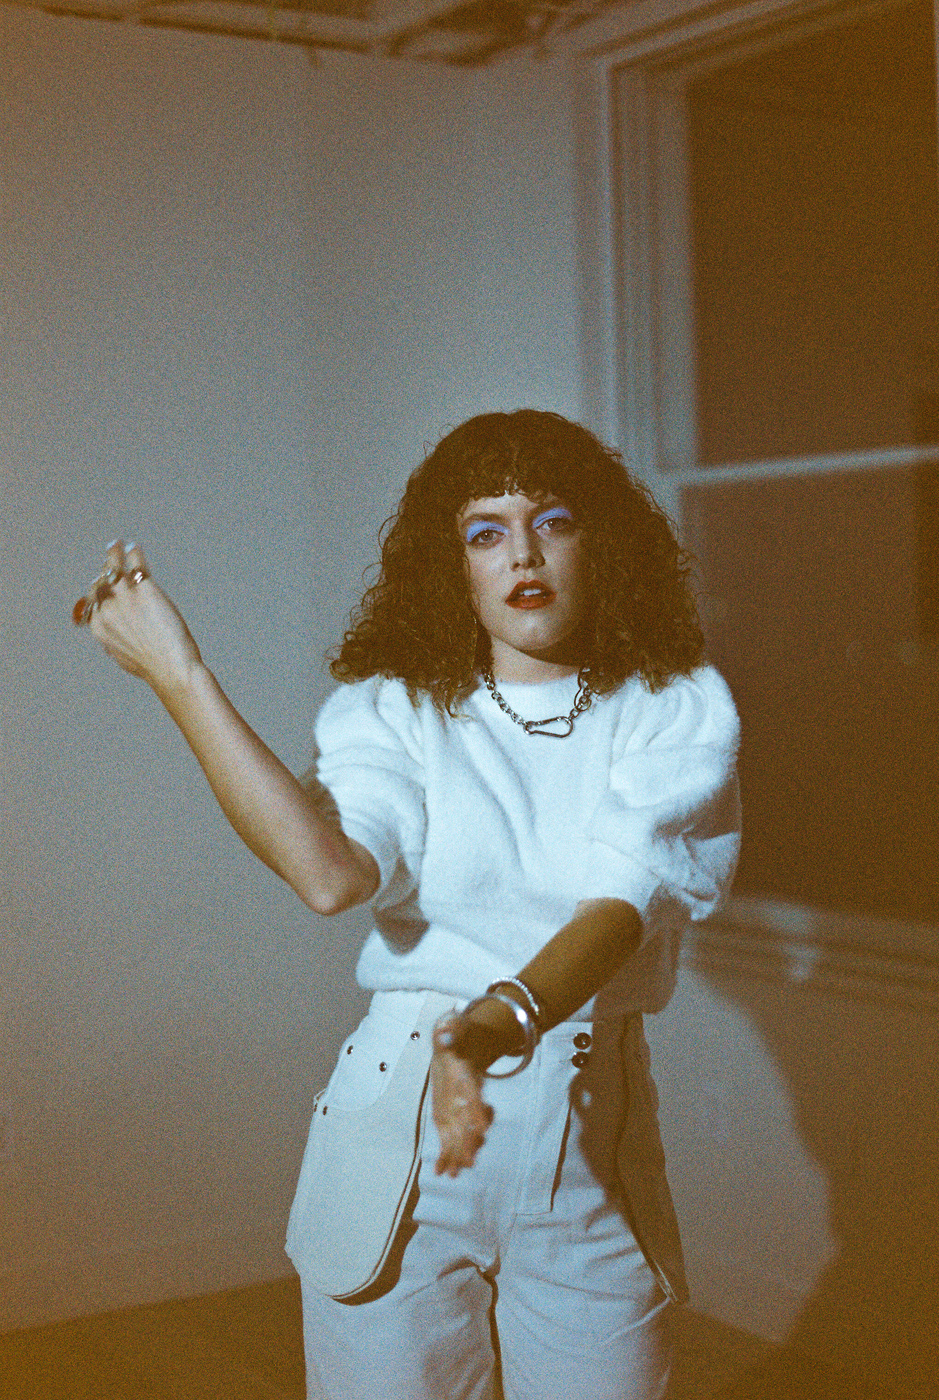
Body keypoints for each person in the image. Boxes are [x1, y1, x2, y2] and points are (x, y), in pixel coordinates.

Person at [74, 408, 740, 1400]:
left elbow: (621, 907)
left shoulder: (675, 706)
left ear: (601, 540)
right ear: (451, 564)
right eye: (485, 531)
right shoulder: (395, 708)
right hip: (397, 1142)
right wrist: (181, 676)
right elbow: (331, 876)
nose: (523, 553)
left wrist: (497, 1021)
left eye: (553, 520)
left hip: (591, 1154)